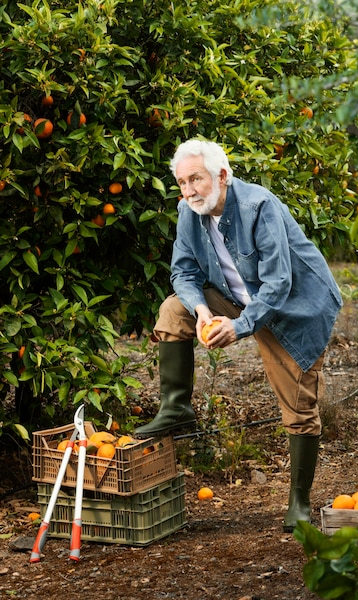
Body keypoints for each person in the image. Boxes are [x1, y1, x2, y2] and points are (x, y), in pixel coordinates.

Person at [134, 138, 343, 532]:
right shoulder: (187, 211)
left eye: (195, 179)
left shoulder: (257, 206)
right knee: (172, 309)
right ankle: (176, 408)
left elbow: (279, 282)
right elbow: (183, 272)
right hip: (235, 298)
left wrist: (240, 326)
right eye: (181, 182)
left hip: (292, 308)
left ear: (222, 175)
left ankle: (299, 500)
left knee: (298, 408)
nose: (188, 190)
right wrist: (200, 310)